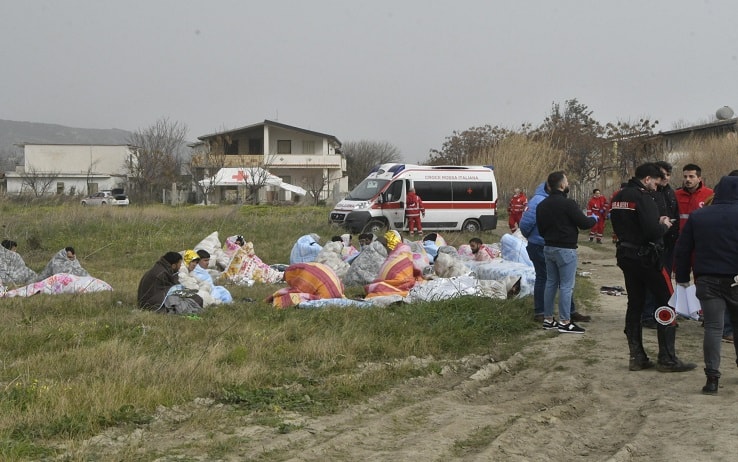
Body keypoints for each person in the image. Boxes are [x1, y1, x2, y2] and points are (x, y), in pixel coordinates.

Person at [610, 162, 696, 372]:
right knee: (667, 301)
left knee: (635, 303)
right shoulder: (643, 197)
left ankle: (637, 356)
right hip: (647, 257)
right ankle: (667, 358)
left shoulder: (618, 197)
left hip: (626, 255)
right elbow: (651, 231)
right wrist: (664, 225)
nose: (657, 187)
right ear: (647, 179)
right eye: (656, 183)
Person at [674, 175, 738, 394]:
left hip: (707, 279)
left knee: (713, 327)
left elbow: (682, 249)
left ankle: (712, 379)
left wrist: (682, 277)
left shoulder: (699, 216)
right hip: (736, 280)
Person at [520, 181, 591, 324]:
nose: (567, 184)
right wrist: (536, 238)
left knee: (555, 280)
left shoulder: (544, 201)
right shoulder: (540, 201)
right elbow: (525, 224)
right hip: (543, 244)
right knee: (551, 280)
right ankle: (555, 316)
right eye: (565, 181)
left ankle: (554, 315)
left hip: (546, 244)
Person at [536, 171, 597, 333]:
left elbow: (541, 229)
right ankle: (565, 321)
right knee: (566, 286)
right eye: (567, 181)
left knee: (550, 283)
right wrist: (594, 219)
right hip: (566, 249)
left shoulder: (542, 205)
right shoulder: (568, 204)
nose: (568, 184)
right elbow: (583, 223)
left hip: (548, 247)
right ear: (562, 185)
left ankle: (548, 319)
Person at [642, 161, 680, 329]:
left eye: (667, 175)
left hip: (669, 243)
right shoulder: (650, 194)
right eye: (662, 175)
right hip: (654, 244)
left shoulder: (670, 193)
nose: (664, 178)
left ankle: (664, 312)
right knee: (653, 281)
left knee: (665, 282)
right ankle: (648, 314)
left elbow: (674, 214)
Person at [137, 251, 203, 312]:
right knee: (192, 301)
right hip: (150, 304)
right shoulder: (162, 273)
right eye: (179, 264)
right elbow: (170, 291)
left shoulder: (165, 269)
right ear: (173, 265)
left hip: (155, 299)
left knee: (196, 298)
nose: (180, 267)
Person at [675, 163, 713, 230]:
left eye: (691, 176)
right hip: (682, 236)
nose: (687, 179)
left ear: (699, 179)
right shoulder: (676, 195)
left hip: (702, 234)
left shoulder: (710, 194)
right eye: (685, 177)